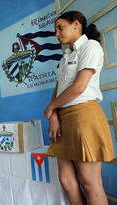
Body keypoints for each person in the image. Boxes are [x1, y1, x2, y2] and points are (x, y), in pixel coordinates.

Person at [44, 11, 115, 205]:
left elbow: (79, 86)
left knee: (89, 181)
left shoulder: (91, 46)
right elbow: (58, 91)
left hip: (83, 115)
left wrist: (51, 108)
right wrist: (53, 115)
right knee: (67, 181)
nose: (57, 34)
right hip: (62, 118)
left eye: (60, 28)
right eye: (56, 30)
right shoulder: (65, 58)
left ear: (76, 24)